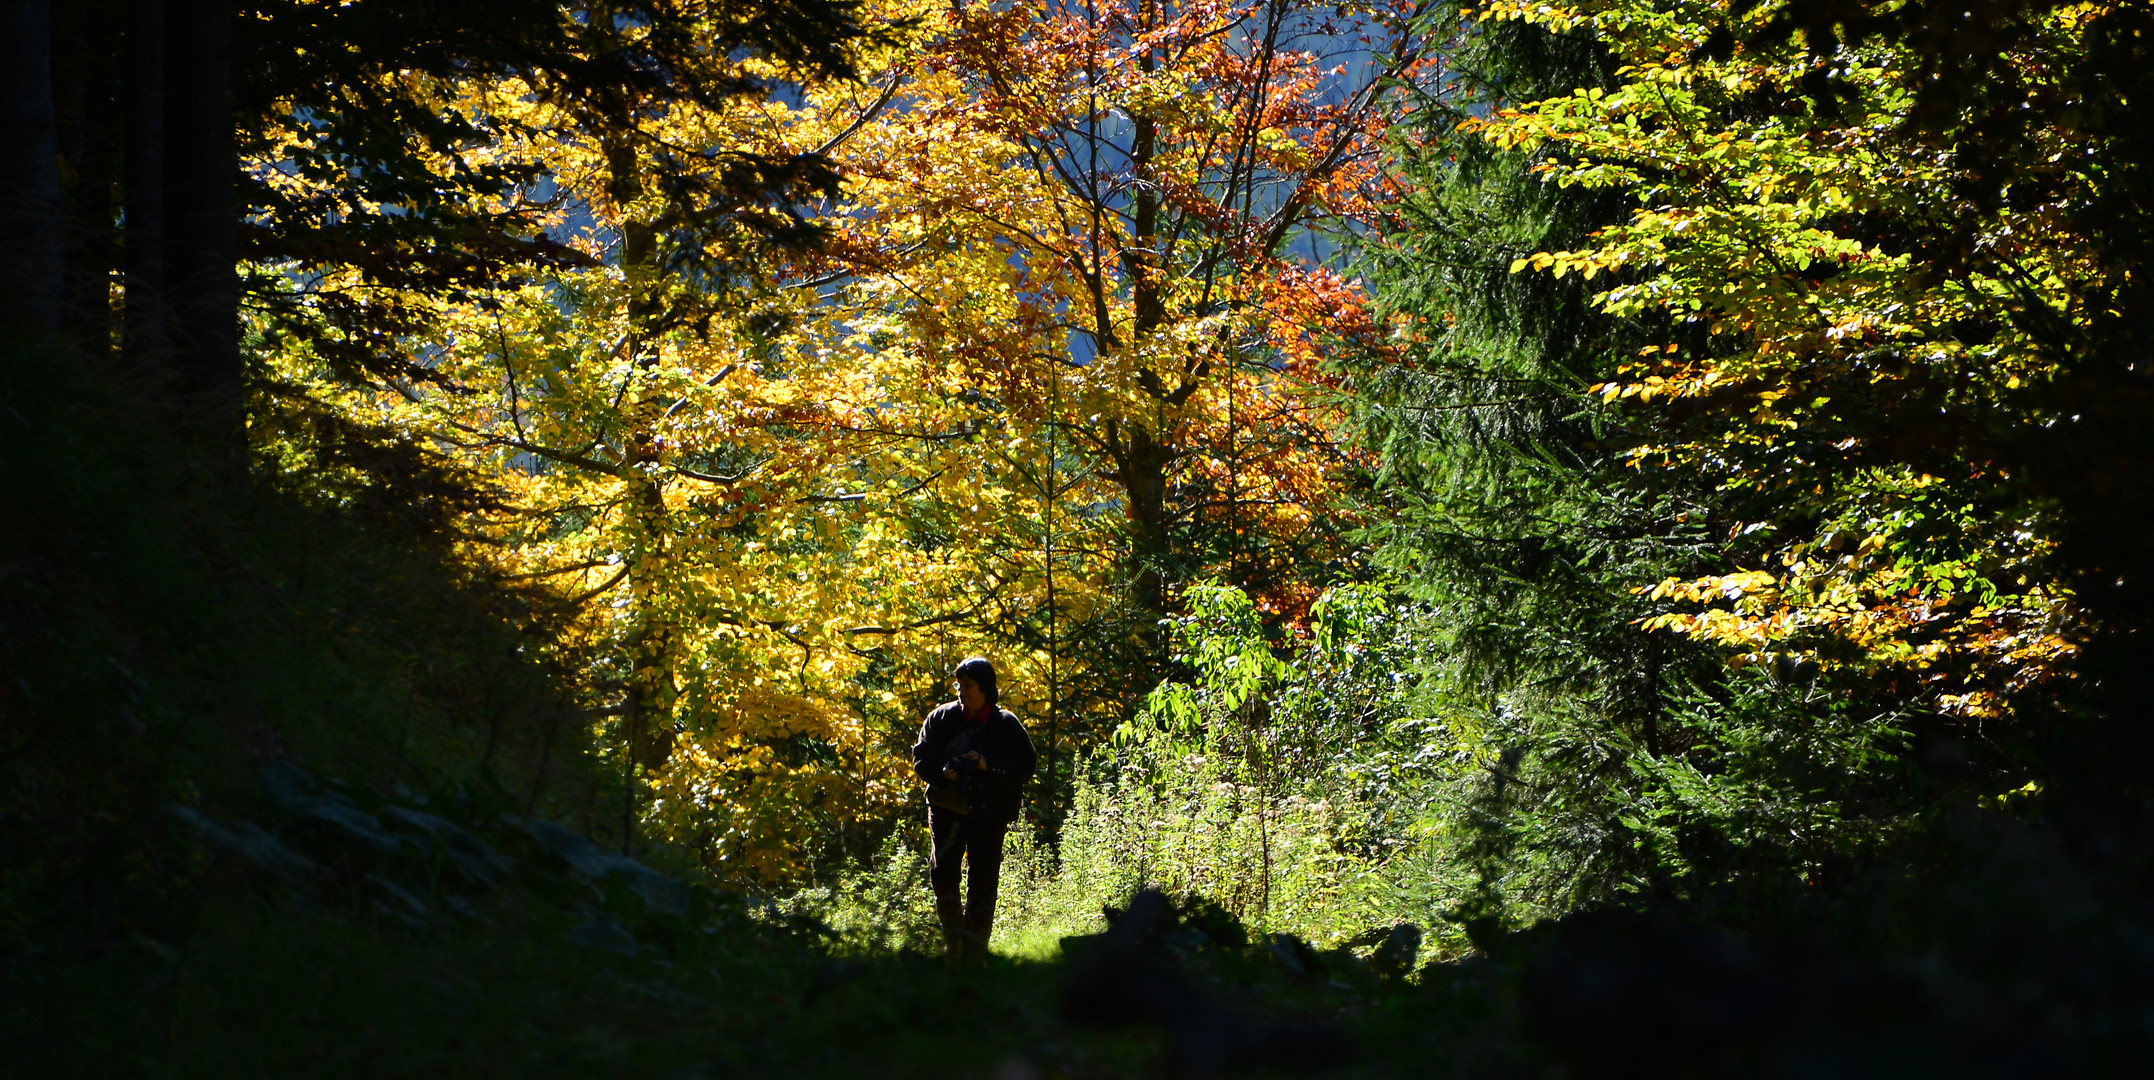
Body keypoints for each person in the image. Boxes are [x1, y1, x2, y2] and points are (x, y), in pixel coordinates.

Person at [911, 656, 1036, 957]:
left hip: (989, 814)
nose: (961, 691)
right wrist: (942, 771)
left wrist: (987, 764)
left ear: (985, 689)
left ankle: (975, 950)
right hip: (946, 809)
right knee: (944, 877)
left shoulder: (1005, 724)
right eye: (959, 684)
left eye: (968, 685)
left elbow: (1026, 764)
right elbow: (921, 758)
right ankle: (952, 941)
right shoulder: (941, 718)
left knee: (983, 880)